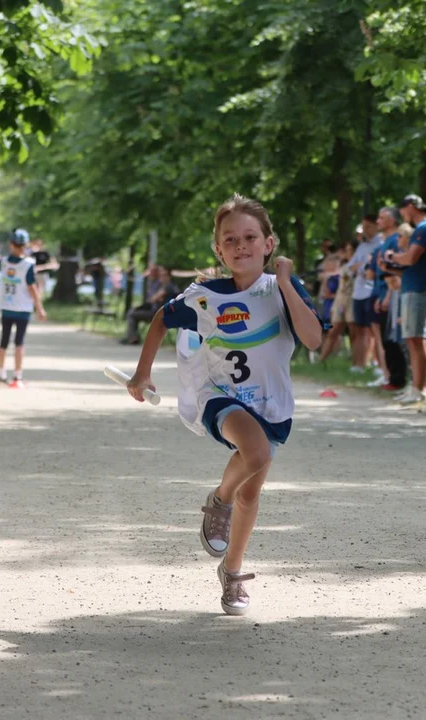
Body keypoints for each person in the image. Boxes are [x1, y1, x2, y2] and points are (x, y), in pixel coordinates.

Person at [125, 194, 323, 615]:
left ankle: (231, 573)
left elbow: (314, 340)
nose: (241, 246)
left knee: (252, 491)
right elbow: (162, 318)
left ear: (269, 244)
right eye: (230, 239)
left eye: (250, 237)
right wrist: (142, 373)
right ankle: (219, 499)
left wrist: (287, 283)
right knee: (255, 452)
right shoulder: (204, 296)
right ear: (218, 249)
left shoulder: (280, 289)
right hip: (221, 397)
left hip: (272, 405)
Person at [385, 194, 426, 405]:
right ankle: (416, 386)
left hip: (420, 291)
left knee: (417, 340)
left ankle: (420, 388)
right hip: (413, 290)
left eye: (402, 211)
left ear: (410, 207)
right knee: (412, 340)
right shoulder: (423, 228)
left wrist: (392, 257)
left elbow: (410, 257)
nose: (402, 216)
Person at [0, 229, 47, 388]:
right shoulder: (28, 264)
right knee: (19, 343)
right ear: (25, 245)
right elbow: (32, 288)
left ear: (11, 244)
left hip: (7, 307)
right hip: (23, 308)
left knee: (4, 342)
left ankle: (0, 375)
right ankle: (17, 376)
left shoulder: (4, 262)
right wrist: (40, 308)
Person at [373, 207, 405, 390]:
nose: (378, 221)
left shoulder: (395, 241)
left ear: (392, 220)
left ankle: (398, 379)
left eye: (382, 218)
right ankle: (392, 377)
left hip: (393, 293)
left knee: (394, 338)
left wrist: (387, 295)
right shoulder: (385, 241)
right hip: (383, 292)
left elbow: (395, 271)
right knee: (387, 338)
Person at [349, 215, 383, 376]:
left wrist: (360, 267)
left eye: (368, 226)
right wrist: (362, 266)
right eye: (363, 227)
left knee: (374, 331)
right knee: (359, 330)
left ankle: (378, 363)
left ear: (376, 226)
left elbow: (374, 268)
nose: (365, 230)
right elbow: (350, 267)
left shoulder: (380, 244)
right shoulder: (362, 246)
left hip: (371, 291)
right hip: (358, 292)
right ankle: (360, 364)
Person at [320, 241, 355, 362]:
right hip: (339, 304)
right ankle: (322, 359)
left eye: (349, 250)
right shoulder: (344, 266)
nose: (345, 253)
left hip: (351, 302)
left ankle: (357, 361)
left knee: (353, 333)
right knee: (332, 331)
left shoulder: (354, 266)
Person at [121, 265, 171, 345]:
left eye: (163, 275)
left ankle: (132, 338)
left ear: (168, 277)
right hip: (155, 311)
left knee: (132, 314)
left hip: (157, 314)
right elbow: (153, 299)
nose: (161, 277)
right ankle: (132, 337)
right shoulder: (159, 285)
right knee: (133, 311)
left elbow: (153, 299)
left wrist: (156, 297)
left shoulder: (167, 286)